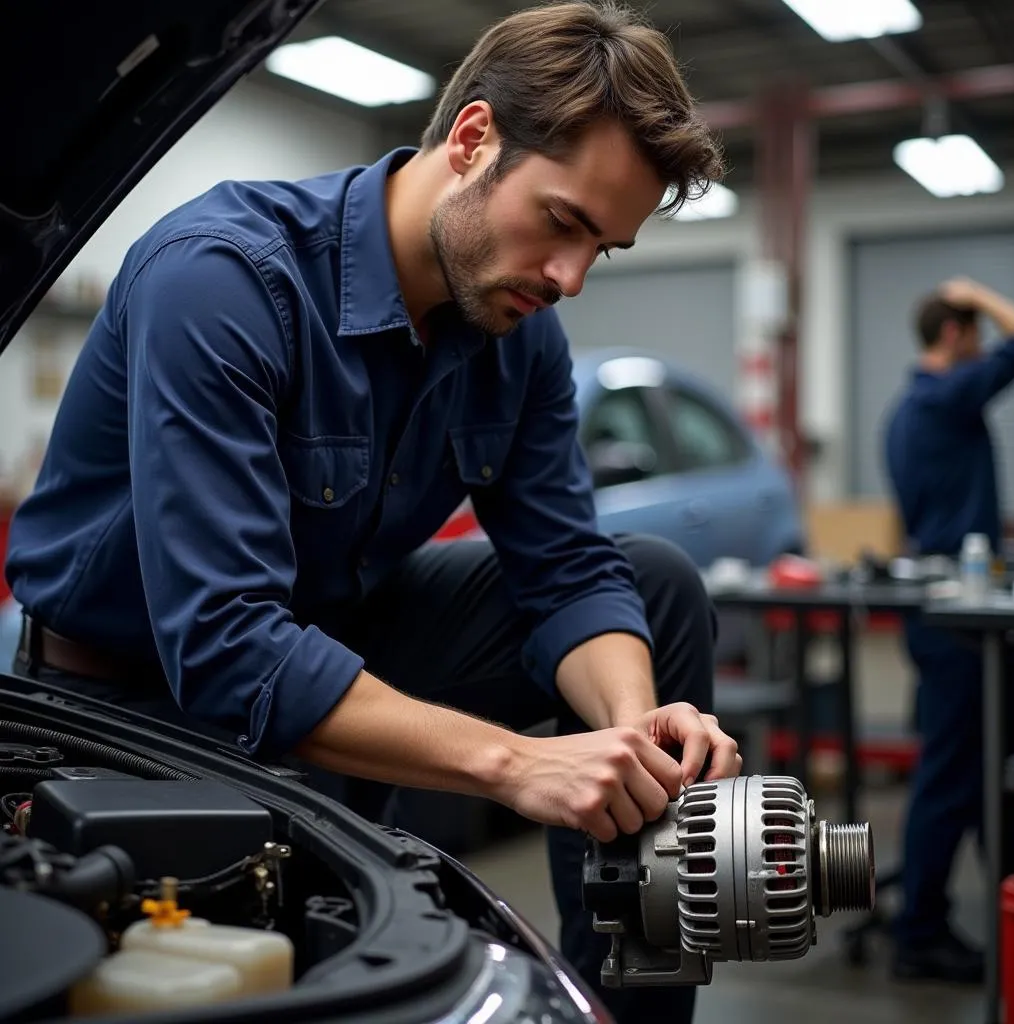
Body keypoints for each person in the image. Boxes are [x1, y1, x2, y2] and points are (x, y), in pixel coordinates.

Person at [3, 3, 741, 1020]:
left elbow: (566, 565)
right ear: (474, 138)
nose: (569, 278)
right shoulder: (222, 280)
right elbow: (222, 644)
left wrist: (629, 731)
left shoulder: (516, 331)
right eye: (564, 222)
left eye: (599, 251)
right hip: (133, 698)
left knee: (651, 587)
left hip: (333, 640)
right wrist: (520, 765)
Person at [883, 277, 1014, 983]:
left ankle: (980, 912)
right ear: (954, 336)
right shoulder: (949, 394)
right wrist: (978, 293)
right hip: (960, 618)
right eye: (974, 334)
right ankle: (920, 932)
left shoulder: (907, 408)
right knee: (952, 776)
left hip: (938, 611)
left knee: (970, 770)